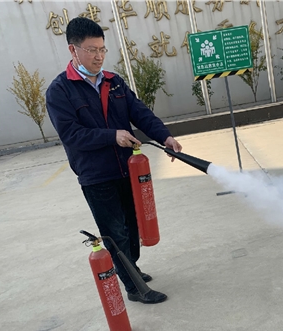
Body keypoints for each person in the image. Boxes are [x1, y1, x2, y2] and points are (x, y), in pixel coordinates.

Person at [46, 17, 182, 304]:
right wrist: (112, 136)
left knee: (132, 227)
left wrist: (165, 137)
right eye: (91, 50)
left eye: (102, 49)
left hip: (127, 170)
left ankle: (131, 269)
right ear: (73, 50)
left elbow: (140, 113)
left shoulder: (114, 81)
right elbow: (72, 135)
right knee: (115, 233)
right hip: (97, 176)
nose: (98, 57)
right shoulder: (60, 91)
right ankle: (134, 288)